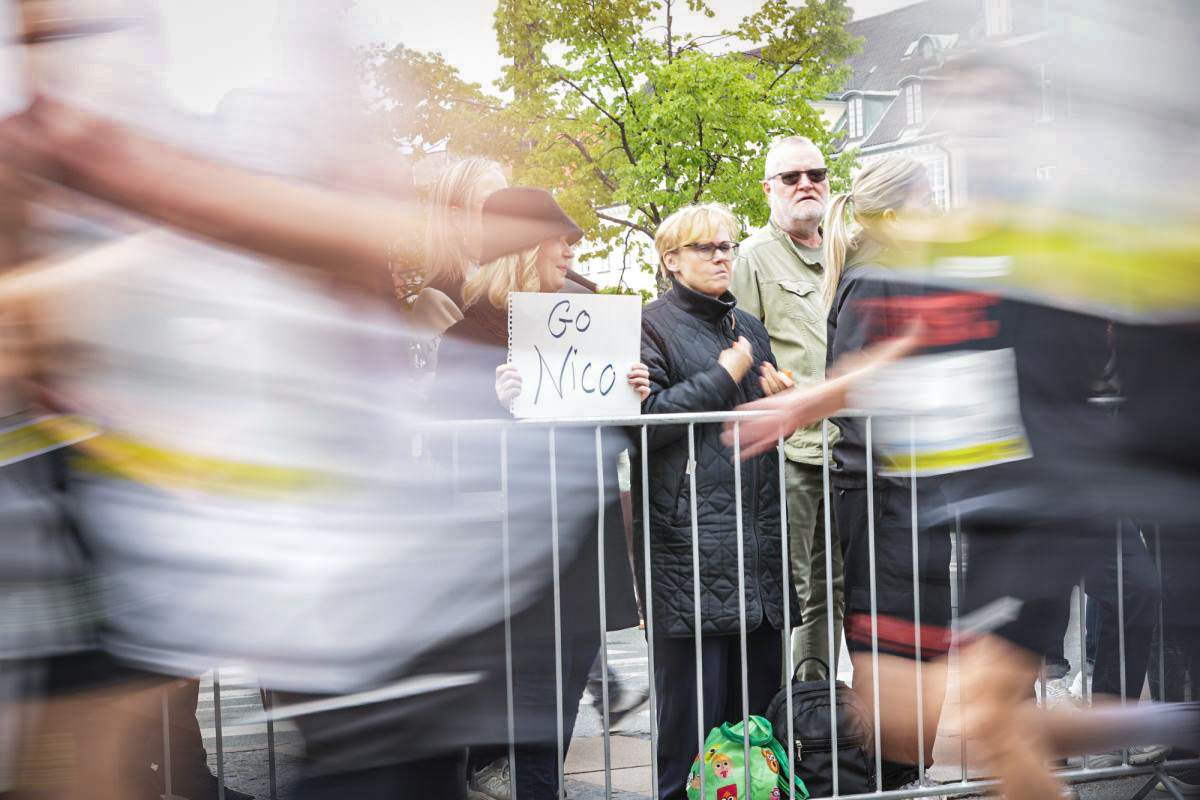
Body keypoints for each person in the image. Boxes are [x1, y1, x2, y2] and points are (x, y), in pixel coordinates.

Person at [432, 186, 647, 800]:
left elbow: (613, 434)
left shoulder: (582, 319)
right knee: (533, 690)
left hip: (582, 531)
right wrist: (489, 403)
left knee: (567, 682)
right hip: (518, 543)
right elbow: (450, 451)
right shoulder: (468, 336)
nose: (570, 249)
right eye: (559, 238)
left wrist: (632, 394)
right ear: (523, 249)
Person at [632, 202, 794, 800]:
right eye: (706, 247)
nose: (722, 256)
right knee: (690, 730)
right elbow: (646, 423)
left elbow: (756, 424)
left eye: (727, 245)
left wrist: (781, 400)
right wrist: (726, 375)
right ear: (671, 259)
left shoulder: (746, 325)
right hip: (691, 552)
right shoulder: (648, 325)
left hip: (758, 546)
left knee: (757, 732)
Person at [820, 157, 952, 791]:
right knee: (892, 634)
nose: (938, 210)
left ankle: (907, 770)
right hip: (882, 488)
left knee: (919, 632)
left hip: (907, 485)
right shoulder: (873, 278)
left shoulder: (897, 273)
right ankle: (892, 773)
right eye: (928, 199)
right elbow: (851, 393)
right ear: (895, 214)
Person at [730, 134, 844, 682]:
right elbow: (734, 347)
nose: (806, 185)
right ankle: (779, 713)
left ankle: (816, 708)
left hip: (848, 449)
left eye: (815, 175)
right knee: (788, 590)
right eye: (791, 177)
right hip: (790, 453)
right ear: (767, 189)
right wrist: (762, 381)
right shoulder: (751, 258)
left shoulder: (845, 250)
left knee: (834, 589)